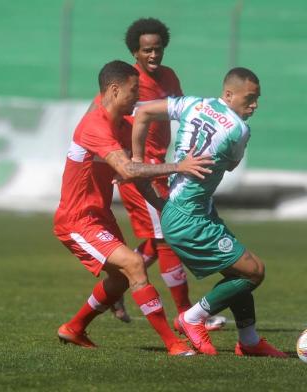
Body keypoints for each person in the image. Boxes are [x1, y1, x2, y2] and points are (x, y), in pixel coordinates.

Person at [54, 60, 213, 356]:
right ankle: (173, 343)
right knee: (135, 264)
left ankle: (74, 328)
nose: (138, 97)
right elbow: (128, 168)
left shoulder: (123, 127)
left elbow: (134, 173)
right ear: (114, 91)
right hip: (77, 220)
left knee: (119, 279)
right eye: (133, 91)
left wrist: (165, 208)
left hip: (100, 217)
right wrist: (179, 166)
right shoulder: (94, 125)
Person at [131, 67, 288, 357]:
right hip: (190, 218)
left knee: (239, 271)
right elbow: (230, 165)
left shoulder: (194, 103)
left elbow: (142, 113)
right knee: (254, 272)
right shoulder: (239, 130)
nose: (254, 105)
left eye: (257, 99)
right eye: (250, 98)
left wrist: (137, 161)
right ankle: (192, 317)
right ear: (229, 94)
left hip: (184, 210)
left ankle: (250, 340)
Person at [106, 17, 226, 331]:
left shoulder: (169, 76)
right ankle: (187, 315)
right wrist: (125, 163)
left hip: (162, 168)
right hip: (140, 172)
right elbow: (110, 120)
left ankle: (115, 288)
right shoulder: (130, 83)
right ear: (135, 51)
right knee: (166, 239)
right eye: (147, 50)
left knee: (156, 239)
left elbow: (183, 113)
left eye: (158, 49)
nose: (153, 56)